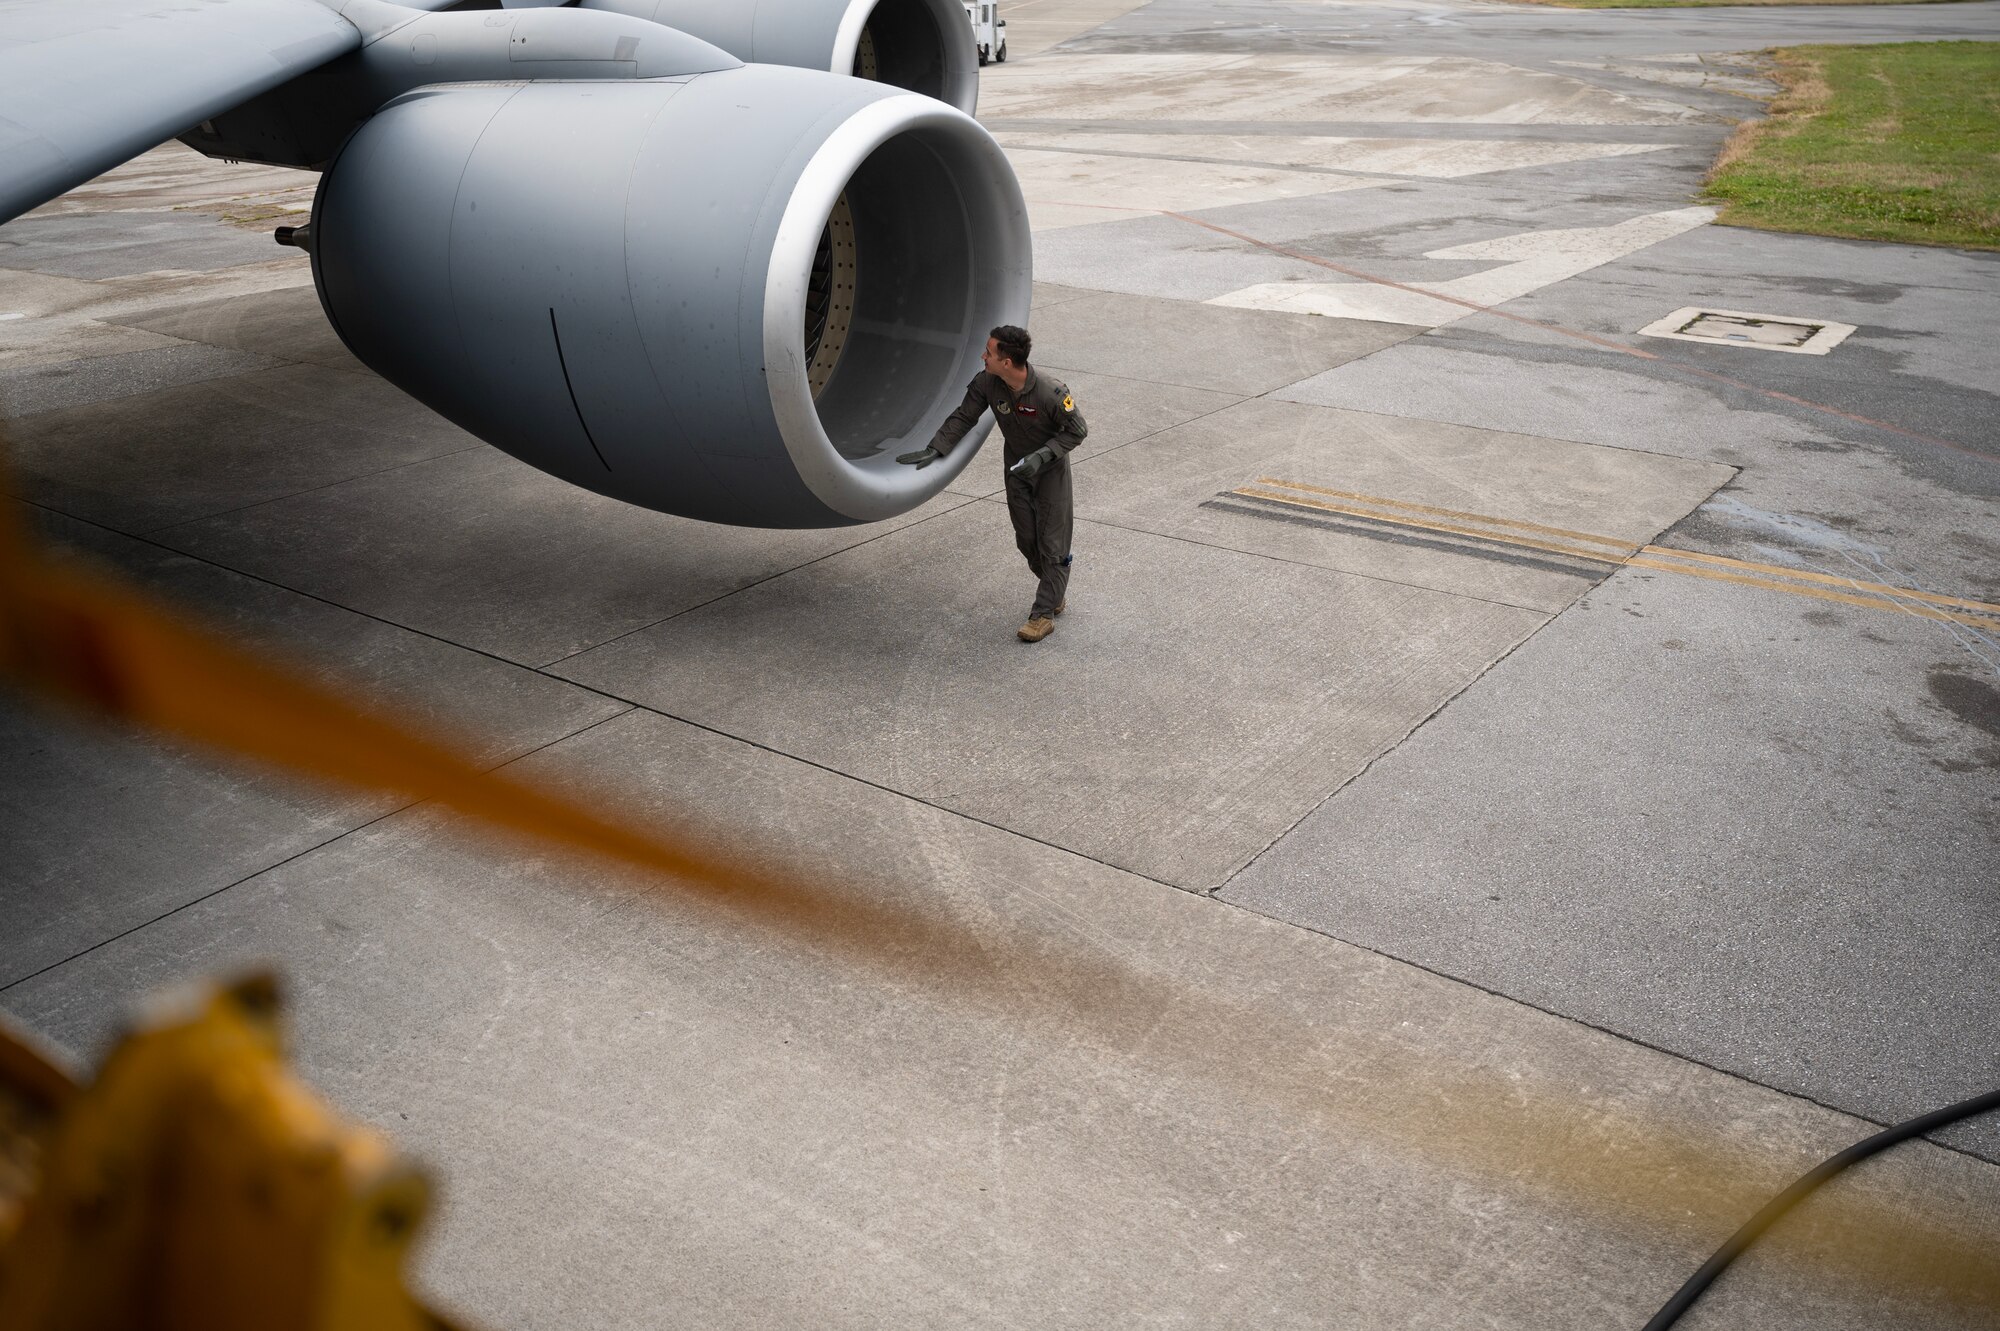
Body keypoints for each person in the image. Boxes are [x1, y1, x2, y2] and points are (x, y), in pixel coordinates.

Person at [898, 325, 1087, 642]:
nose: (983, 356)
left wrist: (1042, 456)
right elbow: (964, 416)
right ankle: (1053, 591)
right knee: (1027, 541)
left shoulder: (1051, 393)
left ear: (1008, 363)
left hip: (1049, 473)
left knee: (1052, 546)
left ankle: (1041, 615)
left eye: (989, 352)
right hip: (1016, 471)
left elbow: (1078, 430)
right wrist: (937, 447)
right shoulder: (987, 383)